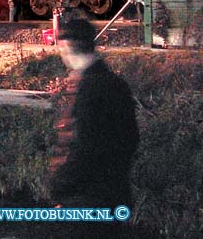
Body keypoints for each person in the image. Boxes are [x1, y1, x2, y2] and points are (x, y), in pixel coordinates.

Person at [49, 12, 139, 215]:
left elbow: (85, 146)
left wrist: (60, 186)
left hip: (87, 199)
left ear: (67, 46)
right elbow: (130, 139)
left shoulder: (88, 88)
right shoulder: (114, 83)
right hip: (115, 193)